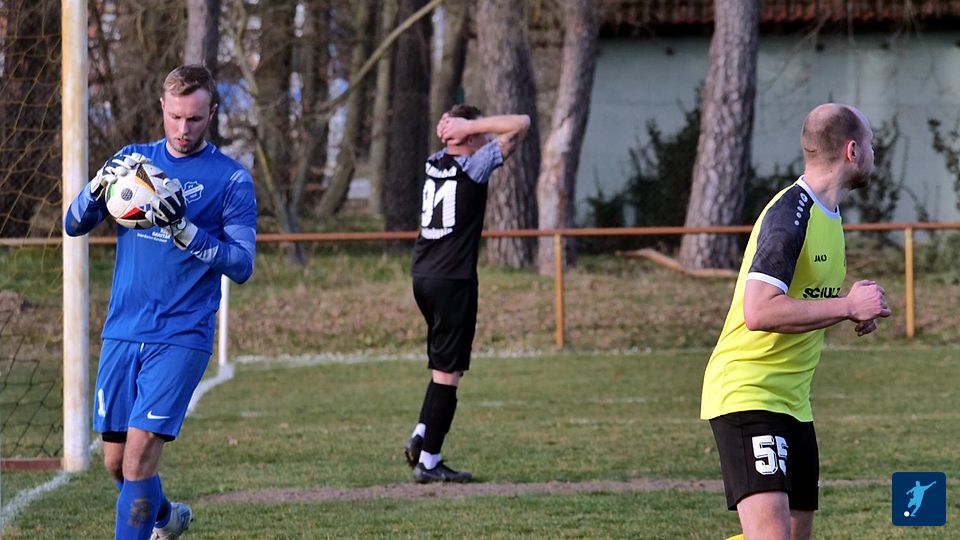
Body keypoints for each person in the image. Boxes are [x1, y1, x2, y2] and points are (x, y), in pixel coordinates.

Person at [64, 64, 257, 540]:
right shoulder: (133, 162)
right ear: (162, 108)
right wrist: (97, 185)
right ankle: (167, 519)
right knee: (115, 463)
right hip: (123, 328)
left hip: (181, 334)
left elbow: (241, 264)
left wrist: (186, 232)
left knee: (137, 460)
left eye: (194, 118)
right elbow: (73, 223)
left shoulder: (231, 179)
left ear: (212, 112)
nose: (183, 129)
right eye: (175, 117)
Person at [700, 103, 892, 540]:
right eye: (871, 144)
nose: (874, 153)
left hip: (793, 403)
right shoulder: (790, 216)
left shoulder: (829, 214)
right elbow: (759, 311)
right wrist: (846, 306)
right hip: (748, 392)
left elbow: (804, 300)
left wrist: (852, 309)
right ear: (852, 151)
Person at [403, 104, 530, 484]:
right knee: (449, 373)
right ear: (470, 136)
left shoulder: (434, 161)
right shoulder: (473, 166)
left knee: (445, 366)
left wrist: (457, 127)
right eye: (481, 134)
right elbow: (521, 124)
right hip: (452, 279)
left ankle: (422, 434)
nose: (489, 138)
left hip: (423, 274)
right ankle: (429, 461)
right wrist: (470, 125)